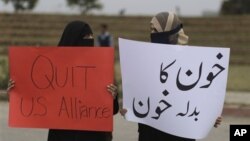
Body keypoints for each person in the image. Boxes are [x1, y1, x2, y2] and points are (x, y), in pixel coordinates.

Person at [7, 21, 119, 141]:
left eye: (91, 37)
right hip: (62, 134)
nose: (89, 41)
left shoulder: (101, 68)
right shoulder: (53, 69)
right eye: (85, 38)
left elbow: (112, 110)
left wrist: (113, 97)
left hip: (93, 135)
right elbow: (36, 100)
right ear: (72, 39)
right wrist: (16, 91)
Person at [120, 12, 222, 141]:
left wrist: (209, 117)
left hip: (181, 134)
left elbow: (198, 96)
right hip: (151, 133)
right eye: (151, 30)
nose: (153, 33)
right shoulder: (145, 58)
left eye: (156, 30)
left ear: (170, 30)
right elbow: (141, 95)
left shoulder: (193, 60)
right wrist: (129, 110)